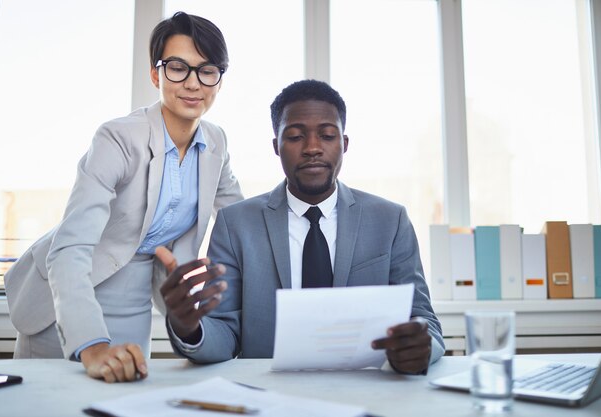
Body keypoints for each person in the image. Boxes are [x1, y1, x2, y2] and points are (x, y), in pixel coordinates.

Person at [3, 12, 243, 383]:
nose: (193, 83)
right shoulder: (117, 138)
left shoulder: (217, 144)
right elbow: (69, 248)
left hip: (136, 298)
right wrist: (92, 345)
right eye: (178, 67)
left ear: (219, 80)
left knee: (124, 398)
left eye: (207, 70)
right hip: (67, 295)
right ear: (155, 74)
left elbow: (241, 222)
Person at [156, 79, 445, 374]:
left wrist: (421, 345)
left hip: (366, 391)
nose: (312, 148)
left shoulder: (390, 220)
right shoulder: (236, 224)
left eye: (327, 135)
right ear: (276, 147)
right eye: (295, 136)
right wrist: (189, 328)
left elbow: (425, 321)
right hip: (269, 396)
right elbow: (225, 333)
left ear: (344, 144)